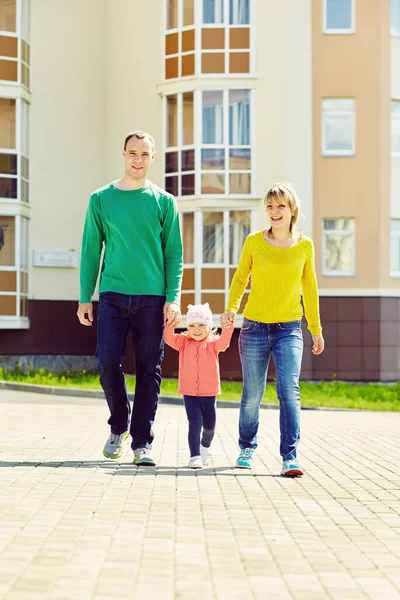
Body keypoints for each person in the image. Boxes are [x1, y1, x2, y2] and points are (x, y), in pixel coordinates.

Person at [77, 130, 183, 466]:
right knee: (107, 361)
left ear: (153, 158)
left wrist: (173, 298)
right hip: (112, 295)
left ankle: (142, 443)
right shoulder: (101, 199)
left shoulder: (164, 202)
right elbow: (91, 250)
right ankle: (119, 423)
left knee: (149, 370)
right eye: (132, 153)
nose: (138, 160)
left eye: (145, 154)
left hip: (152, 298)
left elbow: (174, 255)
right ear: (123, 154)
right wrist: (84, 297)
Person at [221, 182, 324, 476]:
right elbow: (240, 279)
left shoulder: (305, 246)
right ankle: (247, 448)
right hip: (254, 328)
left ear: (292, 209)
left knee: (289, 391)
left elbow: (311, 288)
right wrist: (231, 309)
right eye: (269, 206)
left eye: (280, 206)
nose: (274, 212)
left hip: (289, 329)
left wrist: (315, 328)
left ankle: (290, 457)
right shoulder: (254, 241)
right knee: (252, 393)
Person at [164, 303, 234, 469]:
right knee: (194, 423)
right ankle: (194, 455)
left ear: (209, 326)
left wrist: (228, 327)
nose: (196, 330)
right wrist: (170, 322)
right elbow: (168, 338)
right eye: (192, 325)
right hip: (189, 393)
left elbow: (224, 343)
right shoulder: (183, 343)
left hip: (209, 393)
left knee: (209, 426)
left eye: (201, 325)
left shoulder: (213, 344)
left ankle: (205, 447)